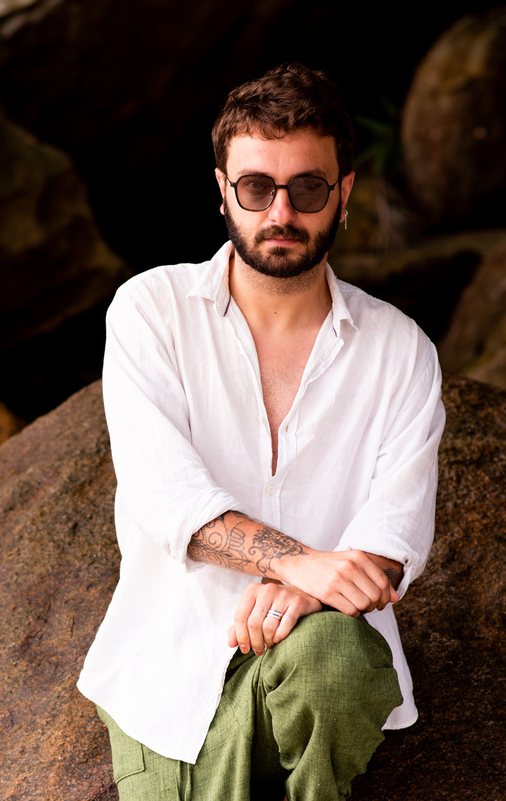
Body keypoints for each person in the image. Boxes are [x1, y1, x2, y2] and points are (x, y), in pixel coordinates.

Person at [77, 63, 445, 801]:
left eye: (307, 189)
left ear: (343, 193)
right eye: (255, 188)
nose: (281, 212)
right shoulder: (150, 311)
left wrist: (314, 591)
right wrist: (302, 564)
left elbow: (396, 531)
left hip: (315, 654)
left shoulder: (400, 349)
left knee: (337, 657)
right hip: (168, 676)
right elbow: (167, 498)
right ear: (222, 190)